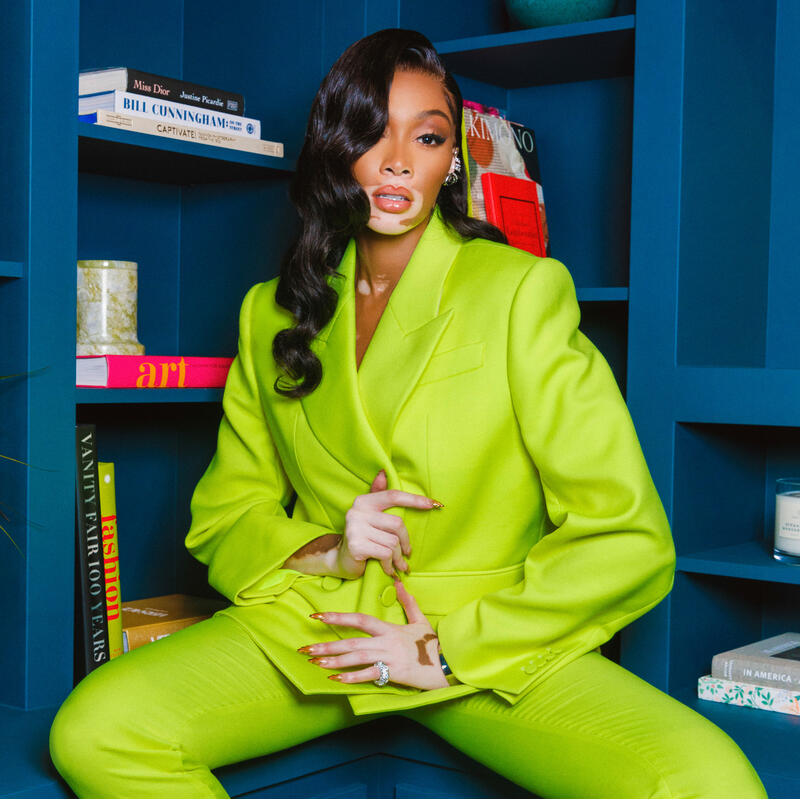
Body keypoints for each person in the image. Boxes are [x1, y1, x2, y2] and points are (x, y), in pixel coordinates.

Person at [49, 28, 768, 799]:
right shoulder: (270, 313)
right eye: (370, 133)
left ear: (452, 157)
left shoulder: (519, 291)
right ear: (335, 150)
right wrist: (331, 549)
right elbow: (224, 517)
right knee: (98, 730)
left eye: (426, 137)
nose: (396, 160)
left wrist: (445, 650)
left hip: (477, 635)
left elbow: (626, 536)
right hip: (321, 628)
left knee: (710, 780)